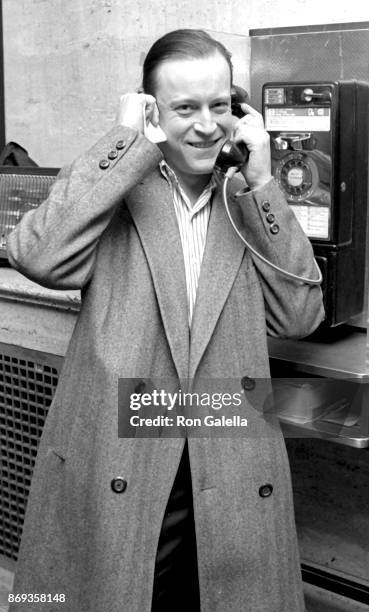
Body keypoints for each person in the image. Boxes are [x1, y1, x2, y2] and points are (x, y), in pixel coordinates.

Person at [7, 29, 324, 612]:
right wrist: (125, 141)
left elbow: (301, 315)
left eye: (220, 105)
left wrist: (261, 182)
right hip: (122, 451)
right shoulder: (117, 190)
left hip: (226, 451)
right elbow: (38, 255)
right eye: (185, 108)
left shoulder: (246, 200)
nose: (207, 125)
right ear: (152, 108)